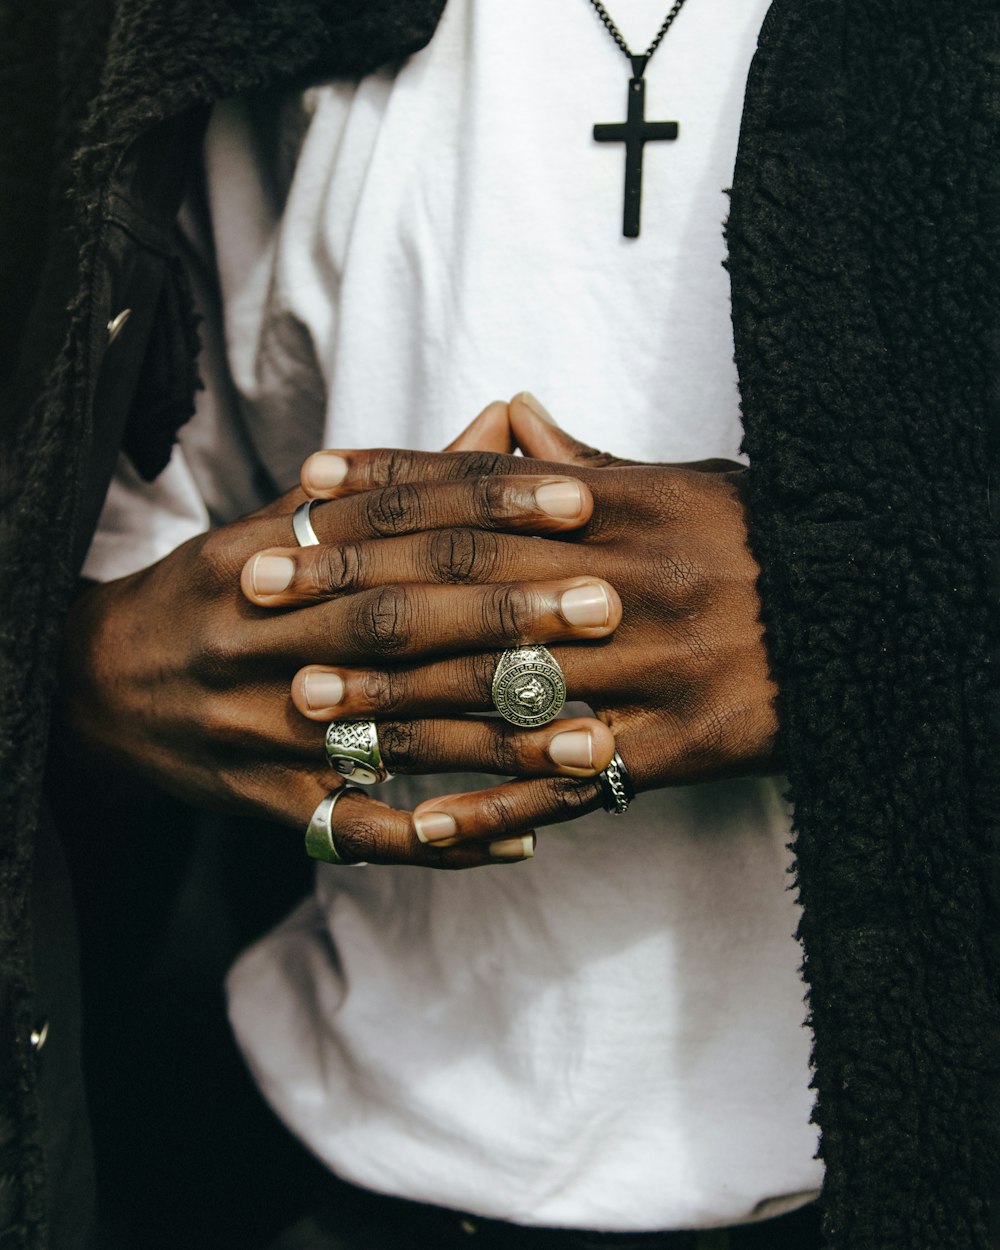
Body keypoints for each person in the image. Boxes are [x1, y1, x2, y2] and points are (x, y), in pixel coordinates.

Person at [1, 2, 997, 1249]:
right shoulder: (215, 32)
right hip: (328, 1146)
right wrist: (88, 670)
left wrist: (864, 599)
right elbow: (98, 535)